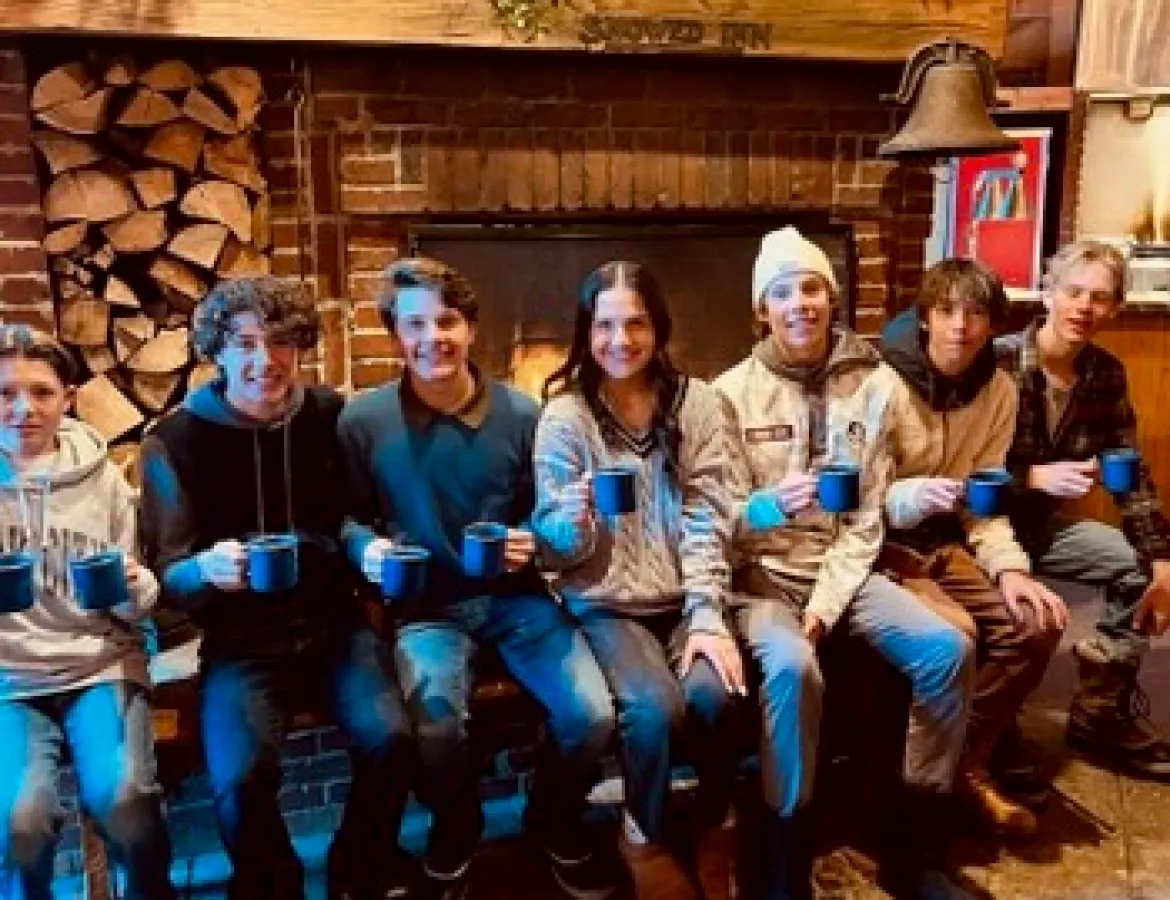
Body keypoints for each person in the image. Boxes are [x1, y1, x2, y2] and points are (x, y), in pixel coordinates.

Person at [338, 257, 617, 900]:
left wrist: (533, 539)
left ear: (470, 328)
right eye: (415, 324)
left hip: (516, 601)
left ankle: (550, 821)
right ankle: (456, 829)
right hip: (426, 609)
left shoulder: (523, 415)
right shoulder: (363, 422)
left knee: (593, 715)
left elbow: (543, 518)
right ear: (396, 335)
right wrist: (367, 551)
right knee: (433, 729)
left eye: (447, 320)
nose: (432, 336)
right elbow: (346, 518)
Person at [714, 228, 975, 898]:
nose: (799, 303)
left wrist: (827, 609)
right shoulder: (727, 394)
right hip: (762, 580)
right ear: (761, 310)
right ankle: (784, 857)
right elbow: (717, 523)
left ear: (831, 301)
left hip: (844, 574)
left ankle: (913, 842)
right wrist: (769, 508)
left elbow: (866, 520)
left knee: (946, 649)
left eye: (811, 289)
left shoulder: (876, 386)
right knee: (794, 668)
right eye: (782, 293)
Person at [139, 277, 416, 900]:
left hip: (336, 628)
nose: (265, 360)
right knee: (237, 779)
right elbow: (166, 576)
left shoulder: (330, 416)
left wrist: (365, 548)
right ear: (219, 349)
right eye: (244, 343)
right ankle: (271, 882)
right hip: (242, 644)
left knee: (392, 741)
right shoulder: (174, 440)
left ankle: (360, 867)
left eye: (282, 342)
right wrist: (206, 570)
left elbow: (352, 517)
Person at [533, 261, 744, 900]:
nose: (620, 340)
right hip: (605, 602)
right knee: (652, 711)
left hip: (688, 597)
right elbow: (554, 553)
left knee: (717, 697)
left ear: (658, 328)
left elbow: (714, 512)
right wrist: (572, 524)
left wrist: (707, 612)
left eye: (635, 323)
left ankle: (716, 825)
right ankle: (640, 834)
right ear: (585, 331)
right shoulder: (565, 418)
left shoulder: (699, 405)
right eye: (605, 325)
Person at [871, 259, 1069, 839]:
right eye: (946, 311)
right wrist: (911, 497)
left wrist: (1010, 569)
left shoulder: (999, 390)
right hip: (881, 545)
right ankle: (920, 784)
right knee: (957, 634)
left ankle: (962, 761)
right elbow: (860, 502)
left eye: (976, 313)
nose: (960, 326)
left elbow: (983, 499)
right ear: (925, 318)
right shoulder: (881, 383)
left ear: (991, 325)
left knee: (1036, 624)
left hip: (949, 541)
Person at [996, 240, 1170, 782]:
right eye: (1073, 292)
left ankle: (1099, 713)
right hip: (979, 528)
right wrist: (1029, 478)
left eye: (1099, 298)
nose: (1084, 306)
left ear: (1115, 309)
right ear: (1049, 293)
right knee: (1013, 610)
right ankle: (993, 730)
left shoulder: (1104, 375)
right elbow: (953, 465)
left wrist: (1164, 563)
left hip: (1039, 527)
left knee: (1136, 567)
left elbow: (1130, 473)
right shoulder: (998, 363)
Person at [0, 325, 175, 900]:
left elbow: (140, 606)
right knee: (22, 826)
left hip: (99, 667)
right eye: (5, 393)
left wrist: (133, 585)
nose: (23, 408)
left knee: (128, 803)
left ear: (68, 398)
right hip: (9, 683)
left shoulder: (104, 481)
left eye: (42, 392)